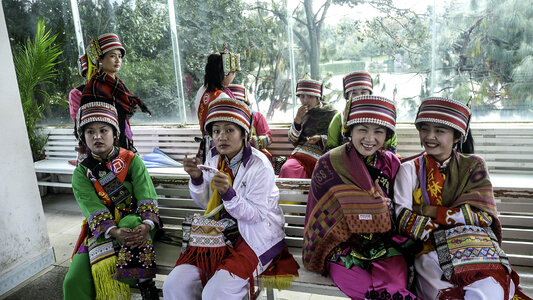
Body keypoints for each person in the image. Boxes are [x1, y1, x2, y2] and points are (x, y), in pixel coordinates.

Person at [163, 97, 298, 300]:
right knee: (174, 285)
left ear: (244, 133)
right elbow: (206, 204)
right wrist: (197, 178)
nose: (221, 137)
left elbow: (257, 215)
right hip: (216, 233)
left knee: (215, 294)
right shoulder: (215, 158)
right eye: (216, 131)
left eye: (229, 130)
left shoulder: (259, 165)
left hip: (253, 236)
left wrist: (229, 194)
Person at [394, 97, 528, 299]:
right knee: (447, 294)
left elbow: (483, 218)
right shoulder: (409, 170)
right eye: (425, 129)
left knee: (490, 291)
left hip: (476, 250)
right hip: (429, 253)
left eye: (440, 131)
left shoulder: (474, 166)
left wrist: (426, 211)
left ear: (457, 136)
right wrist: (450, 222)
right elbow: (402, 218)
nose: (430, 136)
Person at [303, 95, 418, 299]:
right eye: (362, 129)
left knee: (394, 286)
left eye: (378, 132)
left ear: (386, 136)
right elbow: (317, 213)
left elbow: (401, 213)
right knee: (368, 291)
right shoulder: (329, 163)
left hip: (385, 245)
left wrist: (385, 209)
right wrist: (361, 206)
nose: (369, 138)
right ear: (350, 130)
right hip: (342, 247)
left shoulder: (391, 164)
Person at [62, 101, 160, 300]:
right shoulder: (82, 173)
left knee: (130, 222)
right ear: (83, 137)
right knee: (73, 282)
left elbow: (146, 194)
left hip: (138, 225)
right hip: (102, 231)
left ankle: (144, 283)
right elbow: (91, 206)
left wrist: (147, 225)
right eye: (90, 132)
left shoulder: (132, 160)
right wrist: (113, 231)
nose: (97, 136)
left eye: (103, 130)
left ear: (115, 133)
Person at [81, 33, 151, 153]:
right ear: (100, 59)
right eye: (112, 56)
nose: (118, 60)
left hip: (122, 135)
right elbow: (88, 120)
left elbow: (124, 110)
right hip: (103, 143)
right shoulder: (94, 85)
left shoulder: (118, 83)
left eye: (120, 56)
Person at [278, 78, 337, 179]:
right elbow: (293, 140)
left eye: (310, 97)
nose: (305, 101)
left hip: (323, 154)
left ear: (318, 97)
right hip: (301, 153)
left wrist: (320, 138)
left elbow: (338, 140)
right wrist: (298, 119)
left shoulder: (331, 113)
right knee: (287, 168)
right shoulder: (301, 113)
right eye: (302, 96)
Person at [327, 71, 398, 153]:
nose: (359, 96)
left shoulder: (382, 115)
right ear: (347, 96)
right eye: (354, 93)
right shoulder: (339, 118)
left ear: (370, 94)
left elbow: (390, 145)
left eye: (363, 92)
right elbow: (331, 146)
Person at [194, 46, 240, 162]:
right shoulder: (222, 97)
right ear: (225, 74)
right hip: (221, 145)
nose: (233, 76)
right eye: (232, 73)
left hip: (207, 143)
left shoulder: (202, 90)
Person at [227, 83, 273, 161]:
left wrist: (250, 141)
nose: (236, 106)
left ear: (245, 102)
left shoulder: (256, 116)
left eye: (239, 102)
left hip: (254, 153)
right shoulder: (223, 119)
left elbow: (268, 138)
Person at [68, 54, 89, 166]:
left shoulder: (114, 89)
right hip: (88, 142)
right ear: (84, 73)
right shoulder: (77, 93)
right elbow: (78, 121)